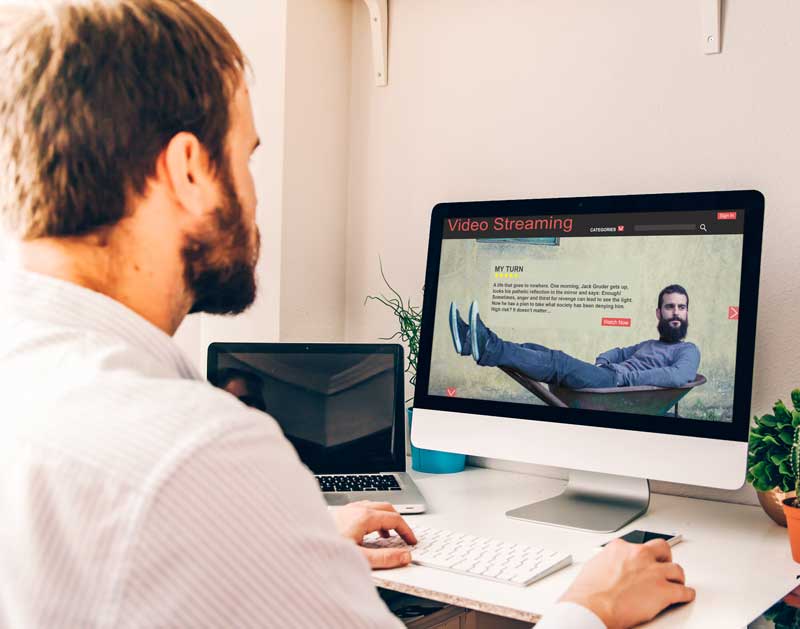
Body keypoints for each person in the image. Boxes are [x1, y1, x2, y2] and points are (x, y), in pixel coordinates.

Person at [0, 1, 694, 627]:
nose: (254, 196)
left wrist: (276, 548)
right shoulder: (195, 454)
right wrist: (588, 606)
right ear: (188, 169)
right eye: (244, 158)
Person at [450, 285, 700, 391]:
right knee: (535, 349)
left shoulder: (688, 350)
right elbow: (620, 352)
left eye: (681, 307)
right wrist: (603, 361)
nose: (675, 313)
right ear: (659, 313)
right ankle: (471, 341)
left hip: (616, 386)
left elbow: (677, 376)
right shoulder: (649, 345)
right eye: (669, 307)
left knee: (558, 362)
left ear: (687, 312)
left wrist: (625, 378)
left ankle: (487, 345)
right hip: (607, 375)